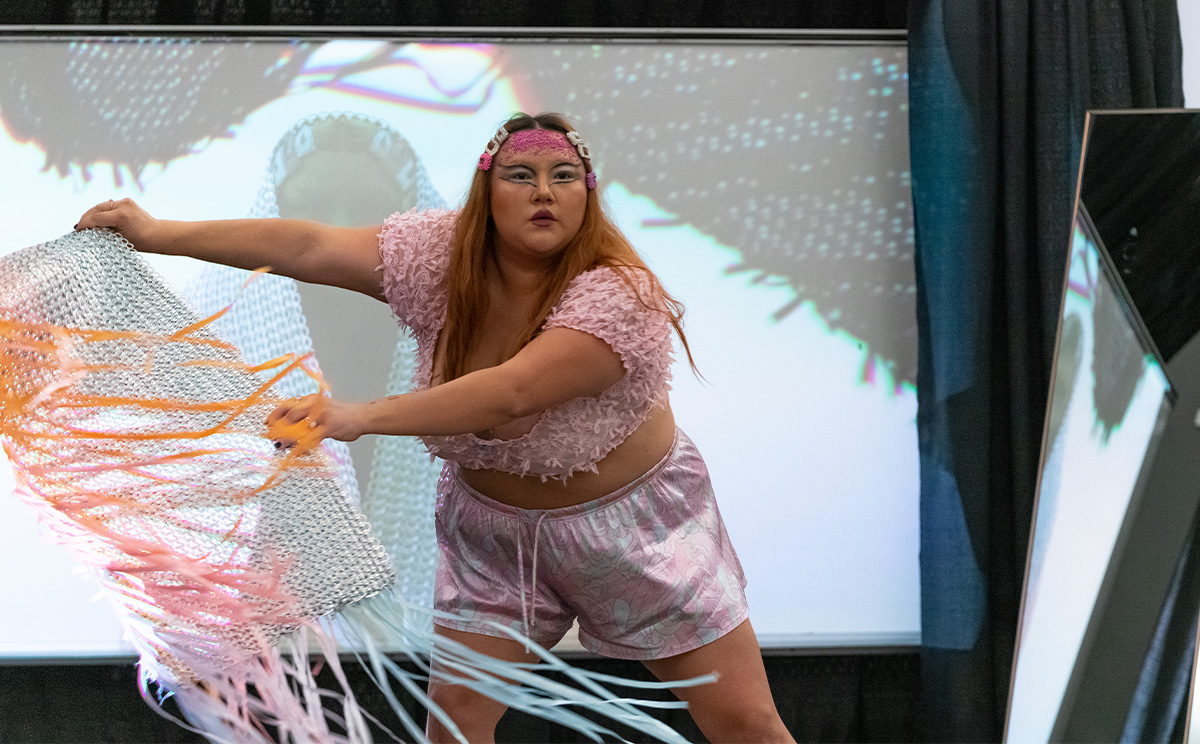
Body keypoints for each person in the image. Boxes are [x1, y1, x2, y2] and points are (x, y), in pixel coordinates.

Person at [77, 111, 794, 744]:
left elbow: (509, 395)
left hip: (634, 534)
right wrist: (157, 232)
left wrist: (357, 416)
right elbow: (307, 246)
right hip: (492, 537)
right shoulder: (436, 256)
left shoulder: (620, 296)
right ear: (488, 192)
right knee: (454, 717)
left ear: (588, 192)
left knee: (742, 723)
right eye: (521, 174)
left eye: (563, 175)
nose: (544, 191)